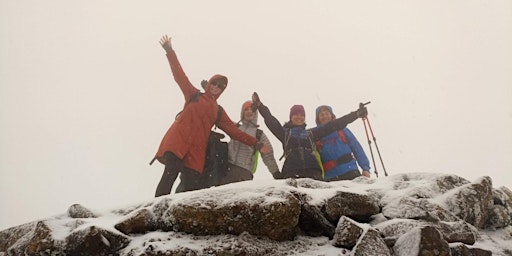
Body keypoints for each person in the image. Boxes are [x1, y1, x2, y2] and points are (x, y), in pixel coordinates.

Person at [152, 35, 270, 196]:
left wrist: (256, 143)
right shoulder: (194, 95)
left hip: (196, 150)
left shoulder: (218, 111)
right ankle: (157, 208)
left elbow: (234, 132)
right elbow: (180, 76)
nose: (216, 87)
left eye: (220, 86)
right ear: (209, 84)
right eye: (214, 83)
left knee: (191, 186)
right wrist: (169, 51)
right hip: (178, 140)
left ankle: (183, 216)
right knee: (170, 173)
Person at [251, 92, 368, 180]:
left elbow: (335, 124)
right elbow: (271, 120)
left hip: (313, 173)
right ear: (291, 117)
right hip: (291, 172)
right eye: (296, 114)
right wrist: (260, 106)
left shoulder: (311, 133)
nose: (299, 117)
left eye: (302, 115)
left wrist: (356, 114)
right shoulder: (285, 133)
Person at [218, 101, 282, 185]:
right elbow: (222, 121)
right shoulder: (235, 127)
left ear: (256, 113)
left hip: (244, 172)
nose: (249, 111)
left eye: (252, 110)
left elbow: (268, 155)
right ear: (242, 112)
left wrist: (276, 173)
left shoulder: (259, 134)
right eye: (246, 109)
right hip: (227, 169)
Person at [315, 105, 371, 181]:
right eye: (321, 115)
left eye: (327, 113)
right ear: (318, 119)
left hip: (350, 172)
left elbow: (357, 148)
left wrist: (365, 168)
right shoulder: (316, 137)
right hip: (331, 177)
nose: (325, 116)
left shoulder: (343, 130)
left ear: (331, 115)